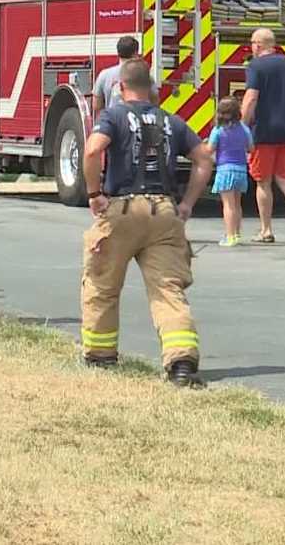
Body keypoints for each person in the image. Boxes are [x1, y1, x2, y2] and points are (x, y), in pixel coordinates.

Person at [80, 58, 214, 385]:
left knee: (102, 284)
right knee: (168, 291)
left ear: (119, 87)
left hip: (123, 210)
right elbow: (203, 158)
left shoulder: (112, 116)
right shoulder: (172, 121)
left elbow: (93, 150)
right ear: (152, 90)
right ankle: (181, 362)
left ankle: (100, 355)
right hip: (164, 212)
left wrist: (94, 193)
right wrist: (186, 204)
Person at [241, 28, 285, 243]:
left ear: (260, 44)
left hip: (263, 132)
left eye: (253, 42)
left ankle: (266, 230)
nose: (252, 46)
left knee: (263, 182)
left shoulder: (255, 66)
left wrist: (243, 126)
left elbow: (251, 97)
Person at [208, 97, 253, 247]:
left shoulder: (218, 130)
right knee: (237, 204)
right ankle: (237, 233)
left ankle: (230, 235)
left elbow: (210, 150)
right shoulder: (244, 129)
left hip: (225, 170)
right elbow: (251, 148)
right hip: (241, 169)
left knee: (228, 205)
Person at [93, 35, 139, 118]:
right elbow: (153, 104)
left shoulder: (104, 75)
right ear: (135, 53)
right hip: (135, 126)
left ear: (118, 53)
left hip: (112, 124)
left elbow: (96, 106)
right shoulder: (144, 76)